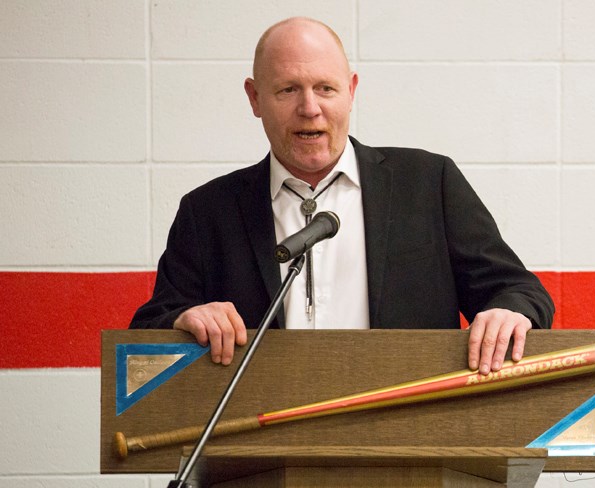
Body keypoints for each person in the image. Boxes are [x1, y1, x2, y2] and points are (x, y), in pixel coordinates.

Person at [130, 17, 554, 376]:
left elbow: (520, 292)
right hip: (259, 455)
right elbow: (149, 331)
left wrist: (509, 312)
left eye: (326, 88)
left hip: (408, 448)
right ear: (254, 98)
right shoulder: (208, 212)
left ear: (351, 90)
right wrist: (183, 320)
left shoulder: (428, 182)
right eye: (288, 90)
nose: (309, 107)